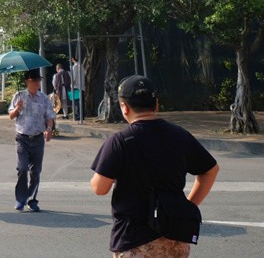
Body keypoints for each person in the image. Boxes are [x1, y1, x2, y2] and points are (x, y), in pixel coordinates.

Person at [91, 75, 219, 257]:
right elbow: (210, 170)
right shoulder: (179, 135)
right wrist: (187, 206)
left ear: (124, 107)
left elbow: (99, 188)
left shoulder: (120, 141)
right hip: (175, 238)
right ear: (156, 104)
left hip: (134, 238)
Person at [8, 69, 56, 212]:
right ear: (27, 81)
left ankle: (31, 199)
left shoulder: (43, 98)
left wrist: (49, 129)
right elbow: (11, 115)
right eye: (34, 80)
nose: (37, 82)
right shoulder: (19, 96)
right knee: (22, 168)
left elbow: (49, 116)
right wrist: (17, 108)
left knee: (36, 171)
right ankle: (20, 199)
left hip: (37, 138)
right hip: (22, 138)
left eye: (38, 80)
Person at [71, 55, 85, 121]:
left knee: (77, 102)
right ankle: (82, 115)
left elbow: (74, 78)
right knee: (81, 101)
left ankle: (79, 115)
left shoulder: (75, 67)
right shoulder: (81, 66)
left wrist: (71, 85)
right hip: (82, 86)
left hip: (76, 86)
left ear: (73, 59)